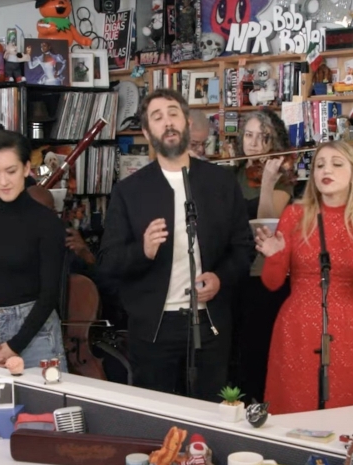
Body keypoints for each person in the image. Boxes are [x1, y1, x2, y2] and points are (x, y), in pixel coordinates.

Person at [99, 88, 254, 400]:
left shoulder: (220, 183)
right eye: (157, 118)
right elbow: (107, 264)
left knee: (213, 413)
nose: (167, 122)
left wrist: (220, 278)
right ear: (146, 132)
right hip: (154, 329)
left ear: (185, 122)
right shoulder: (129, 191)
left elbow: (243, 248)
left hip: (210, 323)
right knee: (157, 417)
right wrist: (142, 251)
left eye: (173, 114)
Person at [254, 142, 353, 414]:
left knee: (341, 408)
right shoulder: (294, 215)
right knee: (293, 407)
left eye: (337, 164)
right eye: (320, 164)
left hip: (346, 328)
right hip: (296, 326)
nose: (327, 170)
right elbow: (272, 283)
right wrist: (275, 256)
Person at [0, 130, 67, 366]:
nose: (3, 181)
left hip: (36, 334)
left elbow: (50, 293)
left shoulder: (47, 222)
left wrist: (14, 345)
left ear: (26, 167)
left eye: (11, 171)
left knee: (42, 404)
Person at [235, 110, 296, 401]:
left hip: (263, 274)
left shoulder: (282, 177)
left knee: (256, 351)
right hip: (232, 271)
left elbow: (266, 225)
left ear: (275, 142)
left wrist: (269, 183)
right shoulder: (230, 173)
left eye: (263, 136)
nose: (255, 143)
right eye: (249, 135)